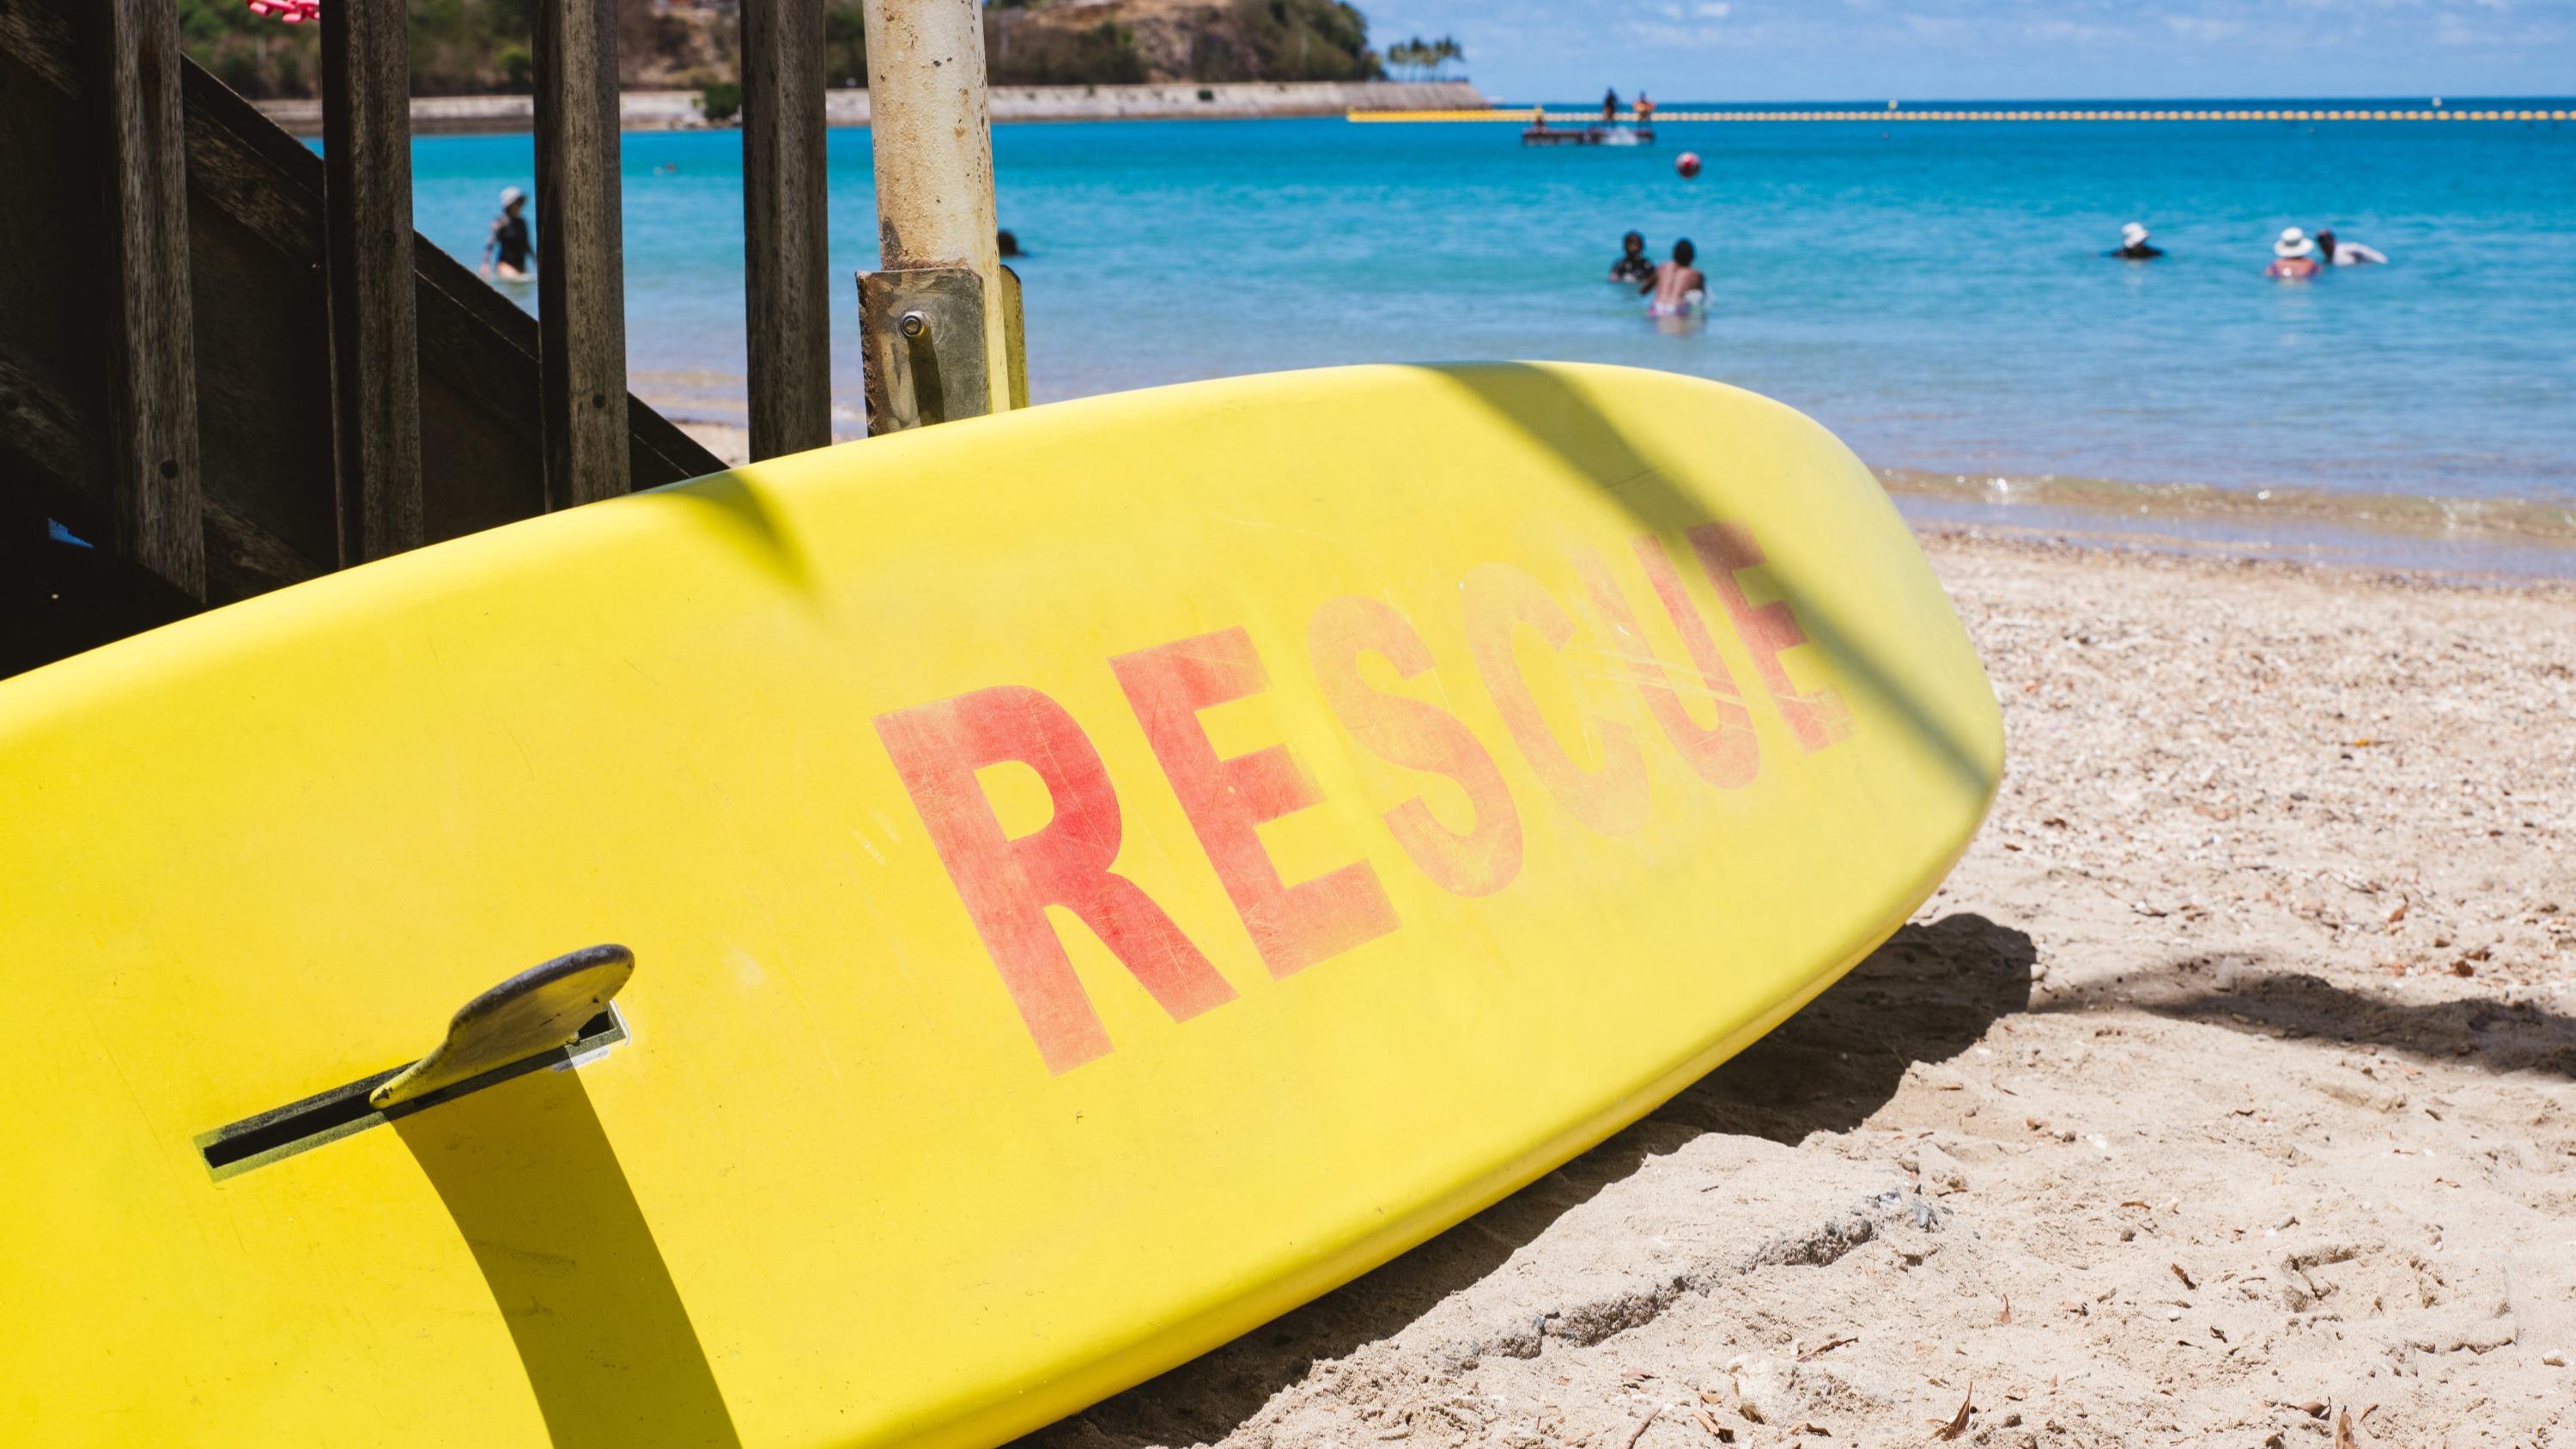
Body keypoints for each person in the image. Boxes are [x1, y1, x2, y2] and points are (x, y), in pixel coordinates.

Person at [1641, 237, 1706, 317]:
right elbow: (1701, 298)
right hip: (1676, 308)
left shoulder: (1662, 268)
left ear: (1674, 254)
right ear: (1692, 257)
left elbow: (1643, 291)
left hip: (1657, 307)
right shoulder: (1696, 274)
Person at [480, 186, 532, 282]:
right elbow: (490, 244)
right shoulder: (499, 222)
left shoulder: (522, 222)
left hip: (521, 265)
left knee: (523, 289)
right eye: (517, 202)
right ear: (509, 205)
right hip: (505, 265)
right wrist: (485, 264)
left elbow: (527, 244)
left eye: (520, 202)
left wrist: (536, 260)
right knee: (517, 282)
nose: (520, 205)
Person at [2314, 228, 2387, 266]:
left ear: (2333, 240)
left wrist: (2382, 261)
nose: (2324, 243)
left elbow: (2364, 250)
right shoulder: (2327, 259)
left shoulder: (2345, 249)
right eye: (2320, 240)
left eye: (2326, 239)